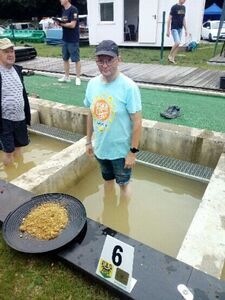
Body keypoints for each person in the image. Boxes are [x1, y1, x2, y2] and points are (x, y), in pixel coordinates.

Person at [84, 40, 142, 198]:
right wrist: (89, 141)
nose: (104, 65)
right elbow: (90, 113)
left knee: (123, 185)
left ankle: (123, 218)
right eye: (100, 61)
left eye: (109, 60)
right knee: (107, 181)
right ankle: (109, 212)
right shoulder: (92, 84)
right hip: (101, 149)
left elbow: (137, 121)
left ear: (119, 60)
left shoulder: (129, 87)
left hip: (121, 152)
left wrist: (132, 152)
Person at [0, 38, 31, 166]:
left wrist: (27, 115)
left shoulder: (18, 70)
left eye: (12, 51)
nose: (10, 54)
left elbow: (22, 94)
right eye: (6, 51)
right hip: (4, 121)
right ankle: (10, 179)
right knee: (8, 151)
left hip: (20, 118)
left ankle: (21, 171)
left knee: (19, 147)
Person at [56, 0, 81, 85]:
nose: (60, 0)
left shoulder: (74, 10)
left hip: (73, 39)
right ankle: (67, 77)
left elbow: (72, 25)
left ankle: (78, 78)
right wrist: (59, 23)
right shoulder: (64, 11)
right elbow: (65, 23)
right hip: (65, 39)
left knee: (76, 59)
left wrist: (62, 24)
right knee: (65, 58)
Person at [167, 0, 188, 64]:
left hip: (180, 28)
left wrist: (186, 29)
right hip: (174, 28)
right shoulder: (174, 7)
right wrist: (168, 30)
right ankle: (170, 55)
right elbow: (169, 19)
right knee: (177, 42)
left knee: (178, 44)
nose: (184, 0)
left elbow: (183, 19)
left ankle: (173, 58)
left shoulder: (184, 8)